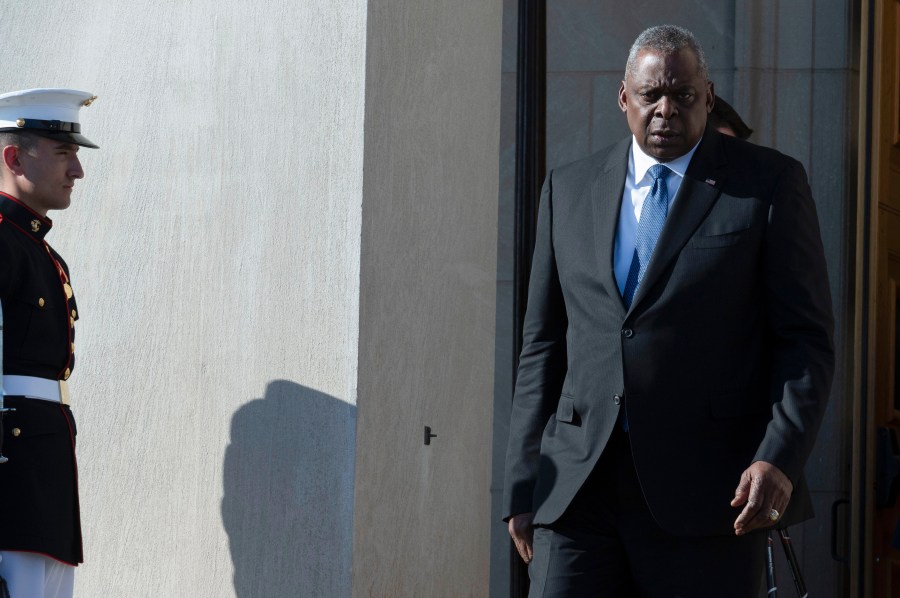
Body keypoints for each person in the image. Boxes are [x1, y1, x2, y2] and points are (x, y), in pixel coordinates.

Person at [503, 25, 833, 597]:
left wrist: (778, 458)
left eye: (683, 96)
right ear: (623, 98)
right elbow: (543, 348)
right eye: (651, 94)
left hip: (709, 495)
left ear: (707, 98)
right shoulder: (568, 189)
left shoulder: (769, 184)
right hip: (578, 489)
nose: (665, 110)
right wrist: (523, 484)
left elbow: (805, 340)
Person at [0, 88, 99, 598]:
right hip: (9, 491)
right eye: (64, 153)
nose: (77, 171)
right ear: (14, 157)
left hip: (42, 485)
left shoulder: (40, 251)